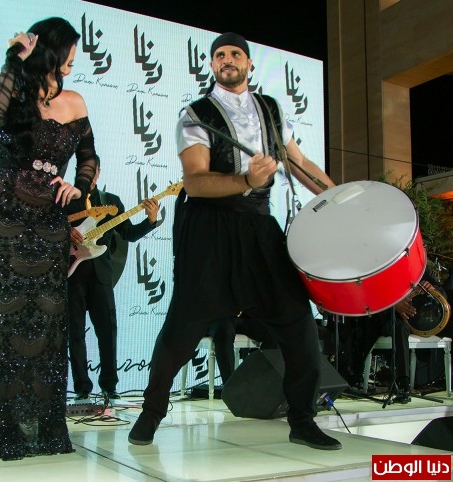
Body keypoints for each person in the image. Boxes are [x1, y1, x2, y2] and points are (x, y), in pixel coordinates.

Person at [128, 32, 341, 450]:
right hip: (209, 228)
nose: (228, 59)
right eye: (220, 55)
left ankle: (302, 420)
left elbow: (299, 163)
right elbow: (195, 181)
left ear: (249, 63)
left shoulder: (271, 109)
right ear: (211, 65)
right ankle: (151, 413)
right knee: (183, 327)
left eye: (235, 53)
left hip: (259, 225)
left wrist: (338, 199)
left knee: (298, 321)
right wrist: (246, 180)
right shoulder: (196, 114)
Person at [0, 17, 97, 461]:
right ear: (51, 50)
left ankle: (45, 429)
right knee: (8, 320)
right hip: (2, 215)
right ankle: (7, 433)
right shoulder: (14, 90)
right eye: (68, 55)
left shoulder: (75, 101)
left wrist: (79, 187)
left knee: (50, 321)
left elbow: (89, 156)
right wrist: (14, 59)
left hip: (49, 220)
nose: (72, 63)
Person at [66, 156, 159, 401]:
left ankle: (109, 386)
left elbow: (129, 234)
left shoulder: (111, 202)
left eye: (93, 170)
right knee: (75, 333)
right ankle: (82, 388)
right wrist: (66, 232)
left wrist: (150, 220)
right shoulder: (65, 200)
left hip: (101, 276)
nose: (90, 175)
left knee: (107, 332)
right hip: (71, 274)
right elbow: (47, 230)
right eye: (85, 170)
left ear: (98, 172)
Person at [333, 267, 447, 403]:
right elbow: (370, 292)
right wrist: (394, 305)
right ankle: (354, 377)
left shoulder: (419, 267)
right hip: (384, 318)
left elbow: (443, 294)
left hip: (415, 321)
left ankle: (403, 386)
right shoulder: (383, 266)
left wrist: (433, 289)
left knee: (401, 328)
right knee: (396, 328)